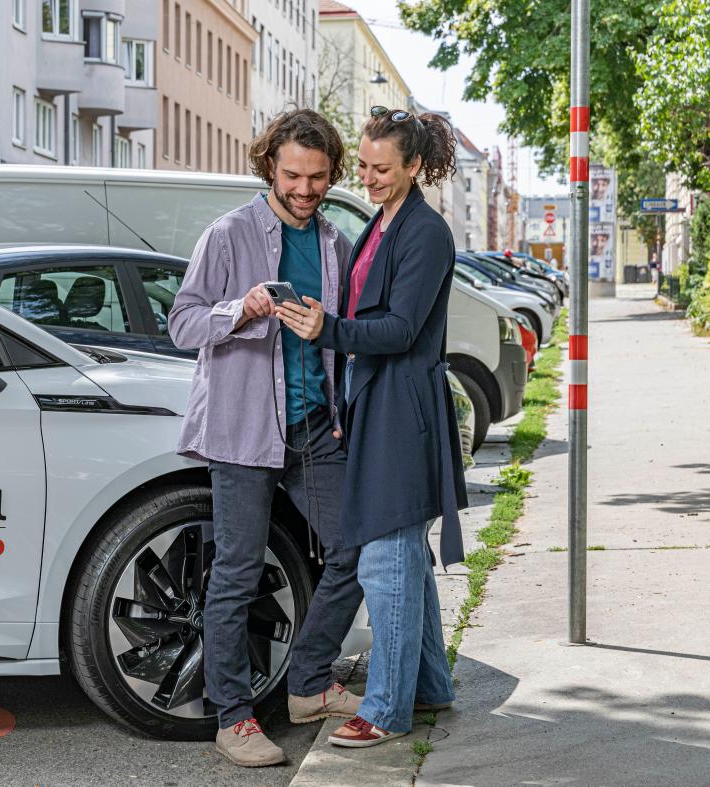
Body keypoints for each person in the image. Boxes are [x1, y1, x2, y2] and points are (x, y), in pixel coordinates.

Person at [169, 109, 363, 767]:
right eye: (293, 176)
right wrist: (240, 310)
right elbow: (183, 324)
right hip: (244, 427)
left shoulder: (336, 244)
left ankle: (309, 681)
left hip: (314, 425)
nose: (305, 189)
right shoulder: (228, 234)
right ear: (269, 167)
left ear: (332, 172)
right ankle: (235, 718)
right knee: (237, 572)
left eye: (317, 177)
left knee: (355, 547)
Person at [277, 105, 468, 748]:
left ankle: (386, 708)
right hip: (375, 404)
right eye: (363, 165)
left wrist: (326, 328)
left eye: (382, 168)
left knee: (386, 560)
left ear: (415, 167)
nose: (368, 177)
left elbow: (401, 329)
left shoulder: (426, 232)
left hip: (402, 411)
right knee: (403, 554)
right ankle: (431, 686)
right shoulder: (384, 223)